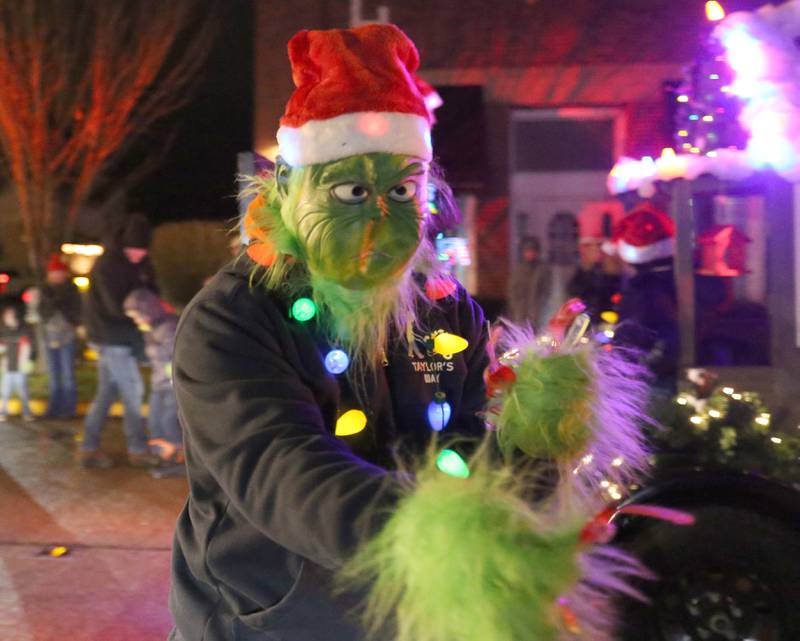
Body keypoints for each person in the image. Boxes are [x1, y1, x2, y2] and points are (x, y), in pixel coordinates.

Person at [168, 24, 489, 641]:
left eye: (402, 190)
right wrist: (452, 534)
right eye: (349, 190)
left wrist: (535, 450)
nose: (379, 220)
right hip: (268, 624)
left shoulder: (446, 311)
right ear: (290, 190)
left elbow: (483, 436)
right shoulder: (233, 318)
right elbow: (283, 473)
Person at [79, 213, 159, 468]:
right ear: (124, 245)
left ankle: (88, 448)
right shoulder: (108, 267)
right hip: (112, 339)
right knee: (132, 391)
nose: (138, 255)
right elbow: (117, 308)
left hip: (119, 339)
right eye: (134, 250)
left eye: (141, 251)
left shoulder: (140, 265)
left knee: (107, 394)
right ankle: (137, 448)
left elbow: (151, 294)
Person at [611, 203, 680, 395]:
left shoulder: (642, 290)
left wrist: (625, 366)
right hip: (654, 372)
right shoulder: (666, 283)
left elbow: (633, 334)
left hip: (646, 378)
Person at [123, 288, 184, 478]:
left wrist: (175, 380)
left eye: (138, 315)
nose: (136, 320)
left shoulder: (168, 326)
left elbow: (175, 357)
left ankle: (180, 458)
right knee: (154, 421)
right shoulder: (151, 328)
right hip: (159, 384)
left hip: (173, 384)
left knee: (169, 421)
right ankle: (165, 456)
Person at [39, 253, 82, 419]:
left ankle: (69, 409)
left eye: (59, 273)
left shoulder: (72, 289)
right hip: (49, 338)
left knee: (67, 375)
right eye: (54, 273)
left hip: (67, 338)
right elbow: (42, 313)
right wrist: (52, 302)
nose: (57, 276)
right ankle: (53, 409)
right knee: (54, 376)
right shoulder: (44, 290)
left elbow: (76, 313)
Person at [507, 235, 552, 328]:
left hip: (538, 314)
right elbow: (512, 291)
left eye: (532, 251)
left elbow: (546, 292)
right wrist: (516, 308)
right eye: (527, 251)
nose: (530, 254)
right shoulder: (518, 270)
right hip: (520, 313)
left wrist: (539, 309)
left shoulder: (543, 269)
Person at [0, 304, 34, 422]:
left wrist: (25, 362)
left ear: (14, 316)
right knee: (5, 393)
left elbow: (27, 347)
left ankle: (27, 412)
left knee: (23, 392)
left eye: (8, 316)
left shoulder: (22, 330)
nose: (6, 319)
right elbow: (2, 349)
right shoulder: (4, 332)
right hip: (8, 368)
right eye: (5, 317)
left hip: (19, 368)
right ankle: (3, 412)